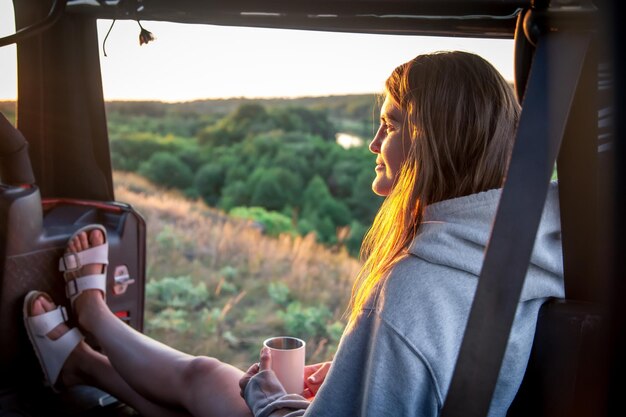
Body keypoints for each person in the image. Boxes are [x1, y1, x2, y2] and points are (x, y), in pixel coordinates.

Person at [23, 51, 563, 417]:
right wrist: (352, 370)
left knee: (210, 381)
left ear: (438, 141)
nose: (375, 143)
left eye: (393, 124)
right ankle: (84, 363)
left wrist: (269, 399)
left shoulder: (415, 288)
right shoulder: (520, 249)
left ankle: (90, 322)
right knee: (207, 383)